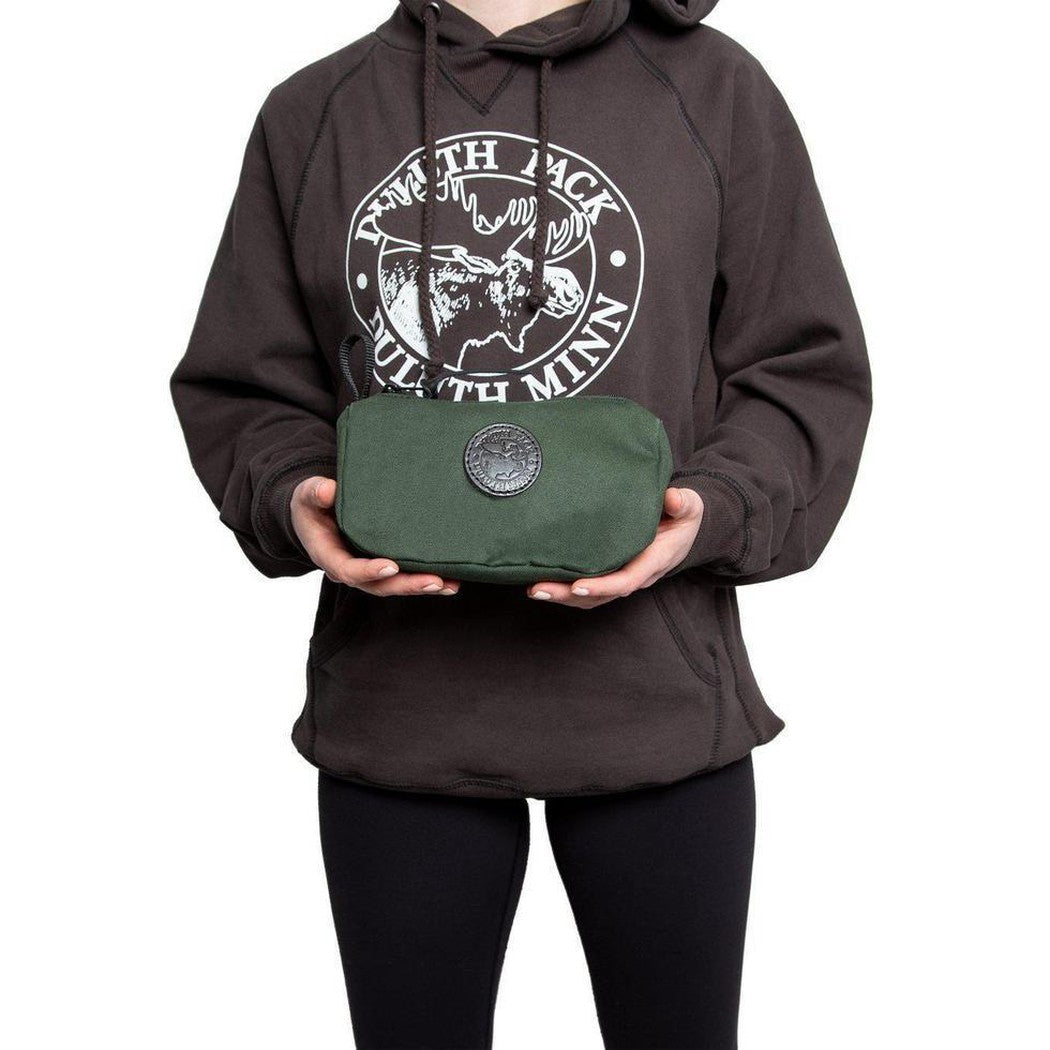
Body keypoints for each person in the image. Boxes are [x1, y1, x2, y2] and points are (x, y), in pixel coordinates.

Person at [172, 0, 872, 1045]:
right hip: (400, 711)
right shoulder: (315, 111)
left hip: (656, 701)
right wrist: (292, 493)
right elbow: (245, 385)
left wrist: (714, 509)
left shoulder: (716, 90)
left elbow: (804, 371)